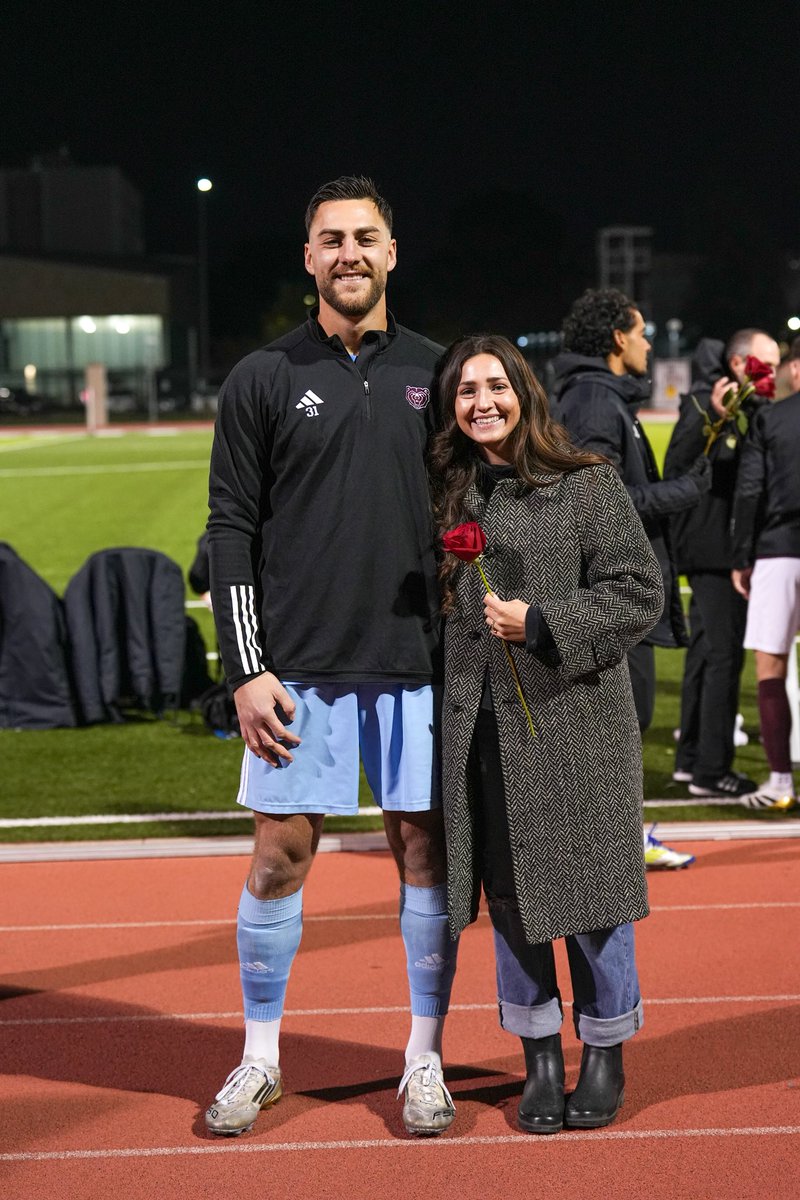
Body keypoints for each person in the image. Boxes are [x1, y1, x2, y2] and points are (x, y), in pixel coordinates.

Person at [204, 176, 458, 1138]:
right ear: (307, 258)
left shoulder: (439, 372)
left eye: (365, 237)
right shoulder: (261, 377)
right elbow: (231, 526)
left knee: (424, 855)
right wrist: (245, 667)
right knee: (280, 857)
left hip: (417, 661)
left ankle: (423, 1061)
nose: (349, 253)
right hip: (299, 668)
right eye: (329, 240)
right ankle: (261, 1059)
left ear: (393, 252)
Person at [429, 334, 663, 1134]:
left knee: (592, 899)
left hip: (575, 723)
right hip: (480, 731)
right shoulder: (449, 493)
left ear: (525, 393)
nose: (482, 402)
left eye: (496, 385)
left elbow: (639, 591)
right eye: (466, 391)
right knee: (513, 901)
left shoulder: (585, 485)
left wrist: (544, 623)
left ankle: (604, 1050)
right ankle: (536, 1056)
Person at [551, 288, 711, 869]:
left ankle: (617, 836)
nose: (647, 344)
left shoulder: (599, 396)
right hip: (611, 592)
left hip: (607, 588)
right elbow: (601, 501)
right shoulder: (596, 401)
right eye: (641, 334)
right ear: (618, 339)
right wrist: (687, 491)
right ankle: (606, 842)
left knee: (623, 722)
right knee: (622, 722)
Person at [664, 330, 780, 798]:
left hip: (707, 546)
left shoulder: (737, 406)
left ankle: (691, 761)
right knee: (723, 657)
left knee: (704, 655)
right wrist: (714, 415)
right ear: (738, 364)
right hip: (715, 551)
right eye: (764, 365)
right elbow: (678, 466)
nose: (770, 374)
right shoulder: (706, 404)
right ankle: (713, 770)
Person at [730, 338, 800, 811]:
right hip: (779, 548)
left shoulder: (771, 417)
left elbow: (749, 493)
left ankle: (779, 783)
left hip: (778, 552)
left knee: (770, 668)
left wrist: (740, 556)